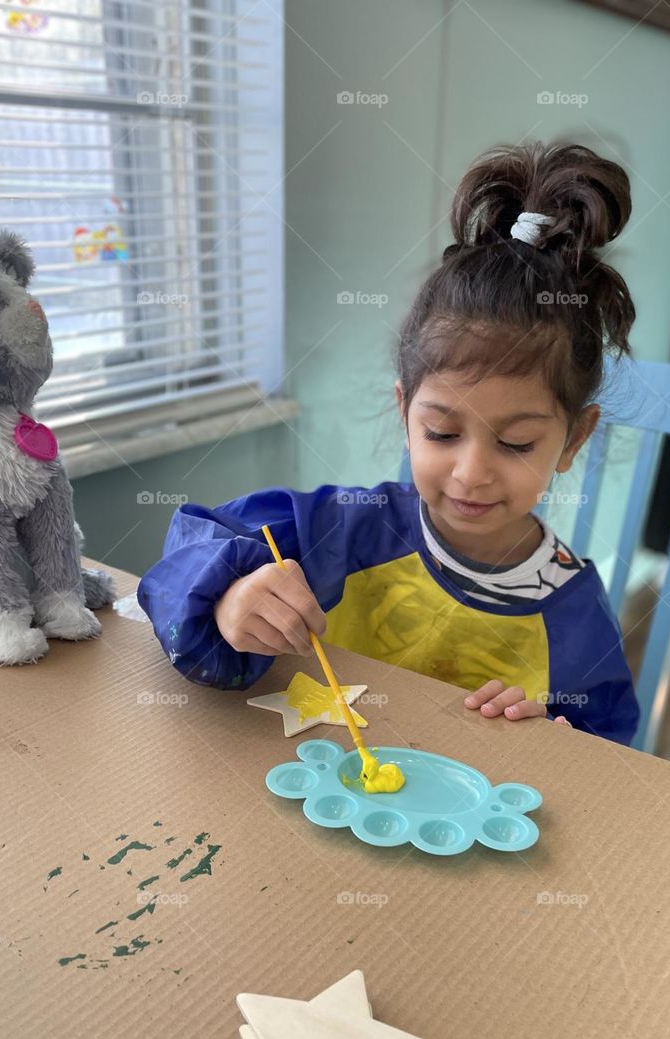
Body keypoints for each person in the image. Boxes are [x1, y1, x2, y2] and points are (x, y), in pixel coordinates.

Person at [138, 140, 641, 746]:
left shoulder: (574, 613)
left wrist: (556, 738)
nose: (470, 472)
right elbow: (184, 558)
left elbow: (611, 761)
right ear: (406, 413)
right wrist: (226, 599)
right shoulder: (342, 529)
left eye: (515, 444)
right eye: (442, 433)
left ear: (573, 439)